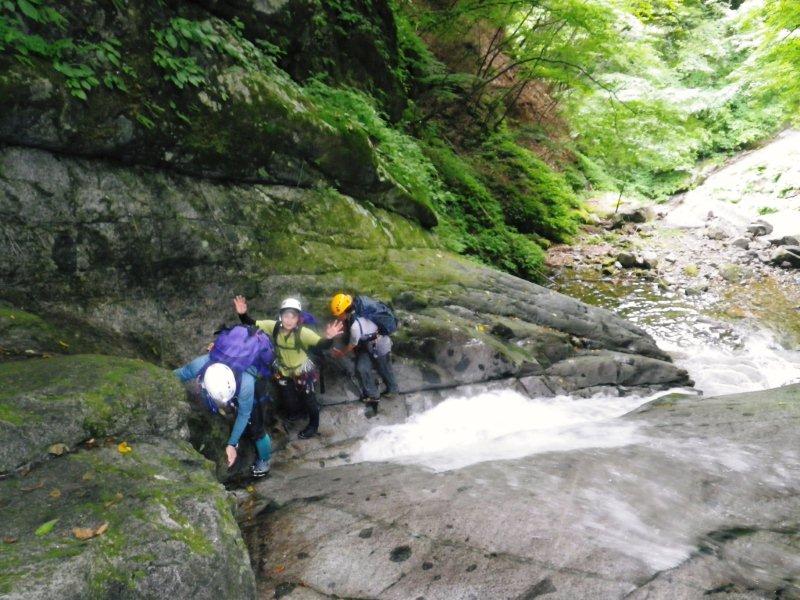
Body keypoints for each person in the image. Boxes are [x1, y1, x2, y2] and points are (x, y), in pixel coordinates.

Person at [234, 295, 342, 439]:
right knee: (288, 396)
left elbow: (322, 344)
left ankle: (313, 426)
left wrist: (329, 338)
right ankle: (297, 413)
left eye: (293, 317)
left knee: (309, 399)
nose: (289, 320)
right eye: (286, 316)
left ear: (298, 319)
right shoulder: (275, 327)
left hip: (303, 370)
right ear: (281, 316)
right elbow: (252, 323)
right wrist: (242, 314)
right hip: (284, 370)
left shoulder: (303, 333)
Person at [174, 324, 274, 477]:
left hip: (256, 384)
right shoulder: (201, 365)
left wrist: (232, 444)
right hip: (227, 383)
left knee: (256, 428)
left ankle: (264, 460)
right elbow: (179, 374)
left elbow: (244, 414)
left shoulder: (247, 384)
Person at [329, 293, 399, 416]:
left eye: (338, 315)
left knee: (384, 367)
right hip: (368, 343)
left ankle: (393, 390)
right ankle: (373, 395)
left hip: (380, 344)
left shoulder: (355, 326)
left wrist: (341, 353)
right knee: (362, 368)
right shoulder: (356, 307)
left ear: (345, 311)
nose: (338, 317)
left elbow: (352, 344)